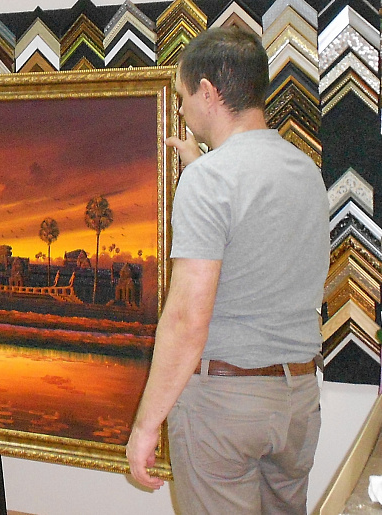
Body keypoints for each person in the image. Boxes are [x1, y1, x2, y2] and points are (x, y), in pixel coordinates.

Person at [125, 27, 329, 514]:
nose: (180, 110)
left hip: (226, 407)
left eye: (182, 96)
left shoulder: (210, 180)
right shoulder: (305, 170)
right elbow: (258, 244)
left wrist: (146, 425)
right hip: (298, 401)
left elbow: (186, 319)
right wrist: (203, 165)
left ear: (208, 93)